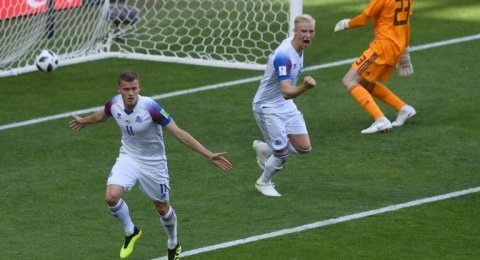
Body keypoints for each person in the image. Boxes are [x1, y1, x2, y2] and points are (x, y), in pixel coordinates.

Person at [69, 70, 233, 259]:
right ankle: (131, 231)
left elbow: (179, 133)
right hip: (128, 157)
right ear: (119, 89)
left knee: (162, 208)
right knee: (111, 197)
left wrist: (209, 154)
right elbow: (102, 115)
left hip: (154, 164)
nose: (131, 93)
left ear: (140, 88)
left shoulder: (151, 108)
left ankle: (173, 243)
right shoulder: (114, 103)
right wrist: (84, 120)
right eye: (126, 89)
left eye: (134, 88)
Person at [251, 14, 316, 197]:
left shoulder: (295, 47)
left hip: (285, 105)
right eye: (303, 31)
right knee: (282, 153)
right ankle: (263, 183)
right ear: (294, 31)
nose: (308, 35)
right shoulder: (284, 56)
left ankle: (265, 148)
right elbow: (287, 92)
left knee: (304, 148)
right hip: (267, 107)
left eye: (311, 31)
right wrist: (305, 86)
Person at [333, 0, 416, 134]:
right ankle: (404, 108)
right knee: (364, 82)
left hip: (382, 47)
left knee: (349, 80)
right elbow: (406, 25)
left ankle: (380, 120)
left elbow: (363, 20)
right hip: (397, 46)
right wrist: (405, 53)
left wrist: (346, 24)